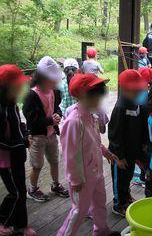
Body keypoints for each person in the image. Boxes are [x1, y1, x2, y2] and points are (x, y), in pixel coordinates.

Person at [57, 73, 120, 236]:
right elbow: (70, 155)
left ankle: (101, 230)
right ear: (84, 95)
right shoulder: (74, 122)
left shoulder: (91, 116)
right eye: (98, 97)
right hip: (81, 178)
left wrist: (107, 153)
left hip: (96, 171)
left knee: (99, 202)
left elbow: (96, 142)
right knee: (79, 211)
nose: (100, 101)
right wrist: (75, 179)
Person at [23, 56, 69, 202]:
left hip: (51, 134)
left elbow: (57, 108)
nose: (55, 82)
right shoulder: (32, 95)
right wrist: (50, 120)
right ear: (42, 78)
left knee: (54, 160)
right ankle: (32, 189)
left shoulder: (54, 92)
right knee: (37, 165)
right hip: (37, 136)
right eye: (52, 79)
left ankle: (55, 185)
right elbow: (32, 120)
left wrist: (58, 114)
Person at [0, 65, 37, 236]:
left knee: (21, 190)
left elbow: (20, 124)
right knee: (13, 192)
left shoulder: (12, 105)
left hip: (17, 157)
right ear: (6, 87)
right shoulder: (1, 110)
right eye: (18, 86)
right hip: (5, 159)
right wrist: (21, 143)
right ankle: (2, 221)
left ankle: (20, 225)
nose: (21, 88)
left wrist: (26, 134)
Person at [108, 69, 149, 216]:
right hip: (120, 154)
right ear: (125, 89)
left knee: (128, 176)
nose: (139, 92)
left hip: (132, 151)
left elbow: (141, 126)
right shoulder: (121, 107)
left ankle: (126, 197)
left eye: (139, 90)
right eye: (135, 90)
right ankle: (118, 204)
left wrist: (143, 143)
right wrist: (118, 156)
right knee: (119, 180)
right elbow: (114, 134)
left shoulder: (136, 104)